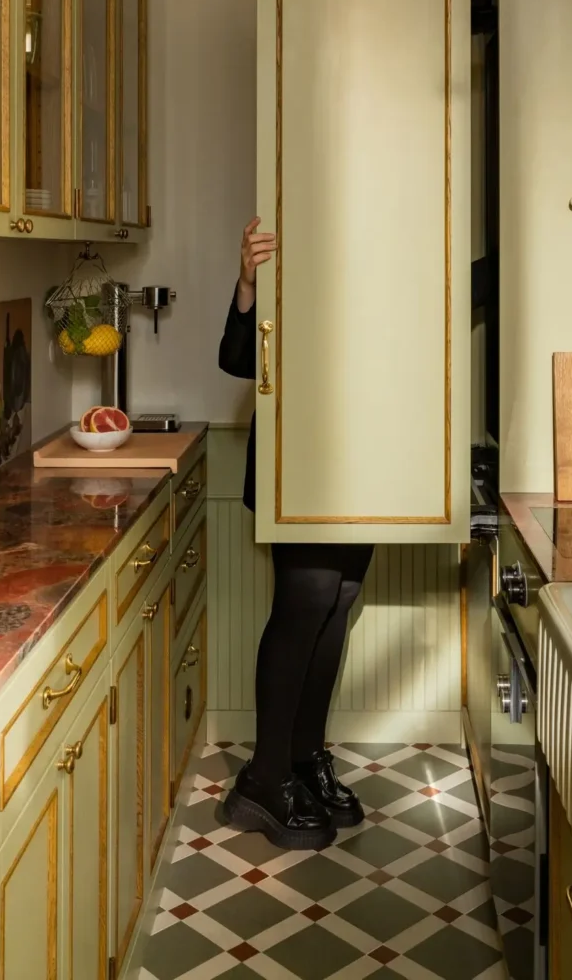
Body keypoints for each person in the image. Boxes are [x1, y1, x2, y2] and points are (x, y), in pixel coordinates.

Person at [218, 217, 374, 850]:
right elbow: (237, 359)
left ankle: (304, 761)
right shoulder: (293, 246)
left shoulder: (386, 255)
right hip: (300, 452)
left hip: (366, 452)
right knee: (305, 602)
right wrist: (248, 282)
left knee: (338, 600)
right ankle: (263, 778)